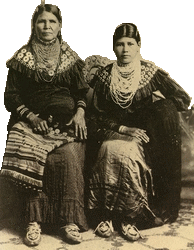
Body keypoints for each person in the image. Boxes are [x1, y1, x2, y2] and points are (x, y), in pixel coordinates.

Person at [86, 23, 191, 241]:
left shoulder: (150, 72)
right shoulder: (105, 77)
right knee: (109, 149)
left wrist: (154, 113)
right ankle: (105, 214)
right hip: (113, 131)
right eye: (120, 44)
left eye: (130, 44)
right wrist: (123, 128)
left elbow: (182, 98)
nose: (125, 49)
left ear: (138, 46)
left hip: (145, 135)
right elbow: (96, 115)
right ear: (113, 48)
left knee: (160, 115)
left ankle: (136, 214)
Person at [0, 3, 89, 246]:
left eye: (52, 22)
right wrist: (31, 117)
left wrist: (80, 113)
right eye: (42, 21)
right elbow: (11, 97)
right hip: (31, 123)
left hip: (66, 124)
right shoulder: (22, 58)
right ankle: (33, 221)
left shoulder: (70, 58)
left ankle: (69, 220)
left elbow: (81, 91)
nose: (46, 26)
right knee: (31, 155)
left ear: (60, 26)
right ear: (34, 25)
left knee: (68, 155)